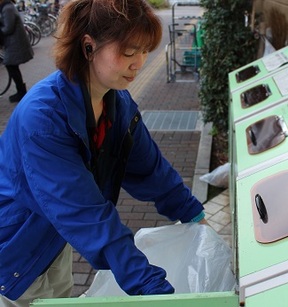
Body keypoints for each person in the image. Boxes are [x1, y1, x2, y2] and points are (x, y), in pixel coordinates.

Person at [0, 0, 207, 305]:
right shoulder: (43, 119)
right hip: (14, 249)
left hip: (56, 237)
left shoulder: (116, 103)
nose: (140, 62)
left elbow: (150, 168)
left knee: (59, 293)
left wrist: (194, 214)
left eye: (145, 50)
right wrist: (151, 287)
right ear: (88, 47)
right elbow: (85, 212)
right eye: (128, 51)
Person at [0, 0, 33, 103]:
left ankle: (21, 92)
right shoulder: (8, 7)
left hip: (15, 44)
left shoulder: (7, 8)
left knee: (11, 66)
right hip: (14, 43)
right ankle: (21, 91)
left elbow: (8, 28)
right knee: (12, 66)